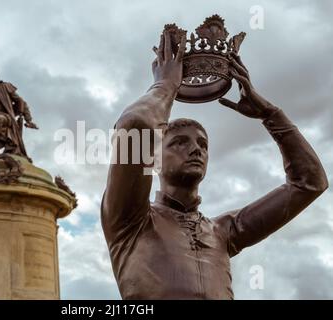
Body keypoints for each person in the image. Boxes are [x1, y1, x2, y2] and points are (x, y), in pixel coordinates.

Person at [101, 30, 328, 299]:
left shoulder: (222, 231)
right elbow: (135, 128)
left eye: (203, 144)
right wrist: (165, 86)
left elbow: (310, 182)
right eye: (179, 143)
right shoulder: (130, 218)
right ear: (154, 160)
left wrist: (271, 115)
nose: (196, 149)